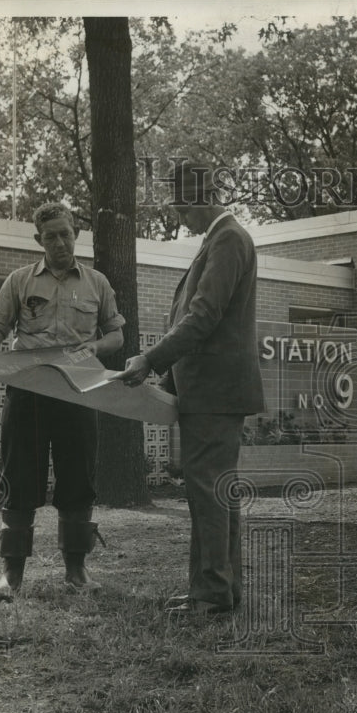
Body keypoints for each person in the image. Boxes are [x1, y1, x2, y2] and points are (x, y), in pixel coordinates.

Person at [118, 161, 265, 616]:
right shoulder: (221, 240)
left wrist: (150, 359)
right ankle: (219, 588)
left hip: (215, 394)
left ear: (203, 197)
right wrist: (165, 378)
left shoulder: (228, 239)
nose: (179, 215)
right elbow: (199, 320)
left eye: (182, 204)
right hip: (210, 391)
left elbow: (202, 317)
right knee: (214, 492)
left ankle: (212, 593)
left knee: (207, 492)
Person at [0, 203, 125, 601]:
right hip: (29, 393)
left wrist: (96, 345)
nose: (60, 242)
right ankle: (11, 575)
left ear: (76, 234)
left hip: (79, 390)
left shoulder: (97, 283)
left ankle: (77, 571)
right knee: (18, 479)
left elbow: (116, 336)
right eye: (51, 235)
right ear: (39, 240)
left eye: (66, 233)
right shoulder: (19, 280)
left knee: (78, 480)